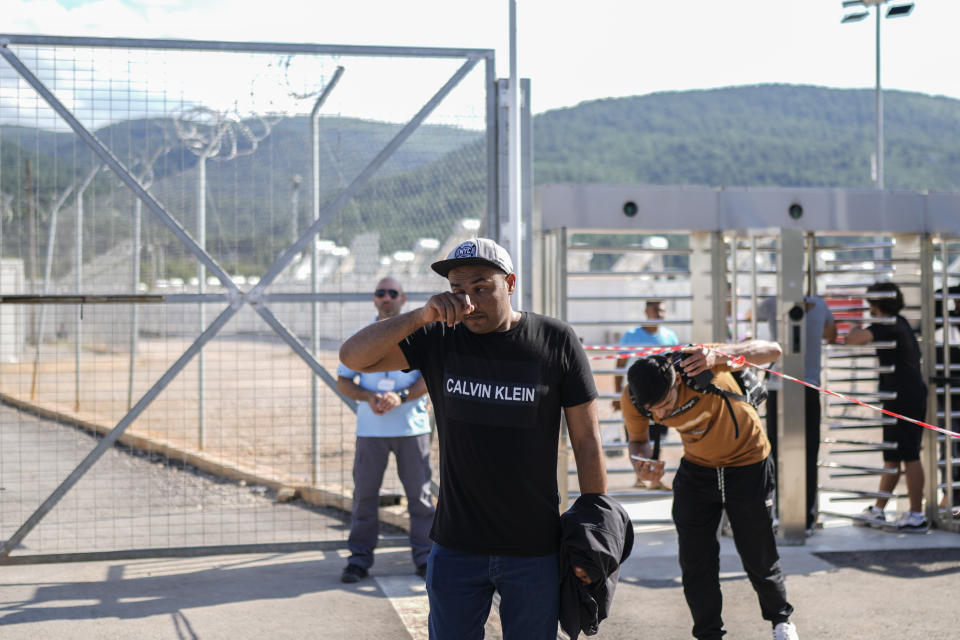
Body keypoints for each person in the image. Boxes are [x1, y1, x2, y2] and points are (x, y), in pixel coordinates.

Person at [339, 238, 608, 639]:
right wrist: (420, 316)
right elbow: (352, 358)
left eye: (482, 287)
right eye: (458, 290)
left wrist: (594, 526)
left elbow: (586, 440)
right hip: (456, 547)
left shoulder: (555, 340)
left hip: (534, 547)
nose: (469, 302)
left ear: (510, 283)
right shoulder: (439, 338)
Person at [622, 341, 800, 640]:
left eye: (666, 404)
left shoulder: (701, 361)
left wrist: (720, 354)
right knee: (696, 561)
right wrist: (641, 464)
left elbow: (774, 350)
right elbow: (638, 441)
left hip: (748, 463)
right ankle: (708, 634)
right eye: (654, 411)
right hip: (698, 470)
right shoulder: (635, 399)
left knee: (757, 553)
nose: (662, 416)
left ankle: (781, 621)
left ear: (677, 381)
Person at [337, 277, 434, 583]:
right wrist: (369, 396)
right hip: (370, 432)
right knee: (364, 498)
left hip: (412, 430)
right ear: (374, 299)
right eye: (381, 293)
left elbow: (430, 377)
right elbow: (344, 380)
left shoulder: (419, 336)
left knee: (420, 500)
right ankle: (359, 560)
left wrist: (401, 396)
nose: (387, 297)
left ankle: (425, 559)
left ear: (403, 299)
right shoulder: (361, 337)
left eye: (393, 293)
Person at [845, 281, 929, 532]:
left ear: (875, 303)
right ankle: (879, 509)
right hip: (898, 397)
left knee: (910, 454)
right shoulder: (897, 322)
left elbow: (854, 340)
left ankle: (917, 515)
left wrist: (852, 327)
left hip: (905, 398)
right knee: (892, 454)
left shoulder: (888, 324)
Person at [755, 294, 837, 533]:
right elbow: (831, 335)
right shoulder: (821, 304)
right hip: (809, 387)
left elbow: (749, 318)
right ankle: (807, 517)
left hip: (779, 387)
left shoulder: (771, 302)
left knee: (775, 452)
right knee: (808, 452)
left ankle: (778, 512)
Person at [612, 300, 680, 471]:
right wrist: (616, 395)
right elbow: (620, 364)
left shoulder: (670, 336)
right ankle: (641, 474)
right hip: (637, 397)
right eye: (656, 310)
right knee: (636, 433)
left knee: (660, 435)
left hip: (662, 396)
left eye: (663, 311)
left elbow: (675, 365)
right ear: (646, 311)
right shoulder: (631, 336)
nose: (660, 314)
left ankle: (654, 471)